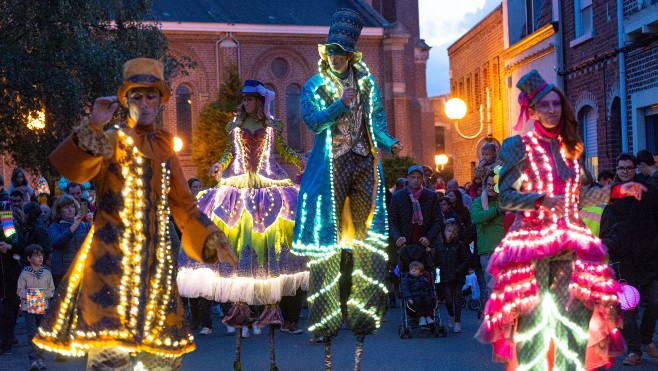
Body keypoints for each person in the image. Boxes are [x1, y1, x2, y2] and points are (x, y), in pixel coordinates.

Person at [33, 57, 237, 370]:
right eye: (136, 96)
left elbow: (183, 203)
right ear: (126, 100)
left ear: (161, 100)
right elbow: (75, 170)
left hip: (155, 271)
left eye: (151, 95)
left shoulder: (166, 148)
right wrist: (94, 126)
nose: (144, 103)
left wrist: (211, 238)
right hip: (109, 268)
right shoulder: (110, 140)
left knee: (162, 360)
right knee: (109, 360)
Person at [475, 69, 646, 370]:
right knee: (535, 319)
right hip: (533, 242)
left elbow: (579, 197)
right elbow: (505, 197)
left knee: (576, 317)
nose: (552, 109)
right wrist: (540, 200)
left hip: (571, 240)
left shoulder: (571, 148)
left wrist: (619, 190)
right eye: (545, 105)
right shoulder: (518, 146)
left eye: (556, 104)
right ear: (533, 110)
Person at [291, 7, 402, 369]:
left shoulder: (367, 86)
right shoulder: (316, 86)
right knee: (328, 242)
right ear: (328, 54)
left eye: (343, 52)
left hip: (362, 160)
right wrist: (340, 105)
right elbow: (311, 119)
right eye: (333, 52)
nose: (338, 57)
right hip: (332, 163)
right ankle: (324, 319)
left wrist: (391, 143)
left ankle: (364, 314)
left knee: (368, 236)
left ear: (351, 55)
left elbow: (378, 126)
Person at [177, 79, 306, 369]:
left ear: (260, 102)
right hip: (237, 183)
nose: (246, 103)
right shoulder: (233, 128)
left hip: (268, 182)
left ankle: (272, 304)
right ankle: (239, 303)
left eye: (251, 99)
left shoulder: (273, 127)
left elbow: (281, 150)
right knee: (235, 234)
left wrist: (297, 159)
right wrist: (219, 165)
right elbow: (228, 154)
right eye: (244, 99)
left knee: (273, 236)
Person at [600, 152, 658, 365]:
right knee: (628, 307)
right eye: (621, 168)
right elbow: (605, 227)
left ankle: (646, 340)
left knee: (655, 301)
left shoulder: (649, 192)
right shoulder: (612, 197)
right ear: (616, 170)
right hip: (623, 261)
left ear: (635, 169)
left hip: (649, 259)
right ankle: (634, 350)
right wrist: (607, 247)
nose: (625, 171)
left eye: (629, 168)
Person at [470, 171, 505, 316]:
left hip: (504, 251)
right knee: (492, 290)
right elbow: (477, 217)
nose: (491, 188)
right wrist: (497, 210)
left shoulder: (505, 200)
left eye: (494, 185)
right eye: (488, 184)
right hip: (488, 252)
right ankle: (495, 321)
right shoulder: (479, 201)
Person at [17, 244, 54, 371]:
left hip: (42, 305)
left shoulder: (47, 273)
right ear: (29, 258)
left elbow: (51, 290)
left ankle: (40, 358)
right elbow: (20, 290)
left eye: (41, 255)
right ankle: (33, 359)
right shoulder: (25, 274)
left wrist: (41, 295)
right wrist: (31, 295)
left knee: (40, 333)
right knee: (32, 333)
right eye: (36, 255)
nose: (40, 258)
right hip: (28, 307)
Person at [47, 195, 91, 289]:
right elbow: (57, 242)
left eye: (72, 206)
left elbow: (95, 244)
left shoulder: (84, 225)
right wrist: (74, 225)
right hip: (63, 273)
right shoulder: (54, 226)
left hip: (81, 271)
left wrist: (91, 223)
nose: (70, 209)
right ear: (59, 211)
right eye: (66, 207)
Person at [434, 219, 470, 333]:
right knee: (448, 299)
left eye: (453, 232)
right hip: (446, 276)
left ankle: (457, 321)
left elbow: (466, 260)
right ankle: (451, 315)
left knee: (457, 299)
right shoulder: (440, 246)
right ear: (444, 231)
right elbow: (437, 261)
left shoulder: (460, 245)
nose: (450, 233)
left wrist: (458, 270)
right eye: (448, 231)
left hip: (457, 276)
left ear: (456, 234)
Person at [401, 261, 436, 326]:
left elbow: (430, 288)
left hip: (425, 295)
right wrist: (408, 298)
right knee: (417, 300)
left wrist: (433, 296)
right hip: (414, 296)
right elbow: (405, 289)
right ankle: (421, 317)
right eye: (412, 269)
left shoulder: (424, 279)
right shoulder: (407, 279)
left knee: (429, 300)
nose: (413, 271)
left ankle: (428, 316)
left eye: (416, 269)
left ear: (421, 273)